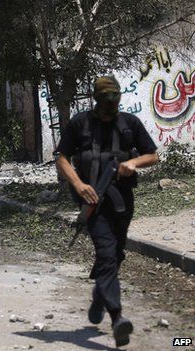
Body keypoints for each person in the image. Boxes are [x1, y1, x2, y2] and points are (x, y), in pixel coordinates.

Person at [56, 76, 159, 348]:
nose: (111, 105)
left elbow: (153, 154)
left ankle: (100, 295)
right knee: (105, 252)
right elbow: (62, 158)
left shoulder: (129, 123)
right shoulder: (80, 123)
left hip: (122, 200)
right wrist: (78, 185)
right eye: (105, 100)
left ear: (120, 98)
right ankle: (117, 318)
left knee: (116, 254)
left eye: (115, 99)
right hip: (91, 202)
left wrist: (133, 163)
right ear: (96, 99)